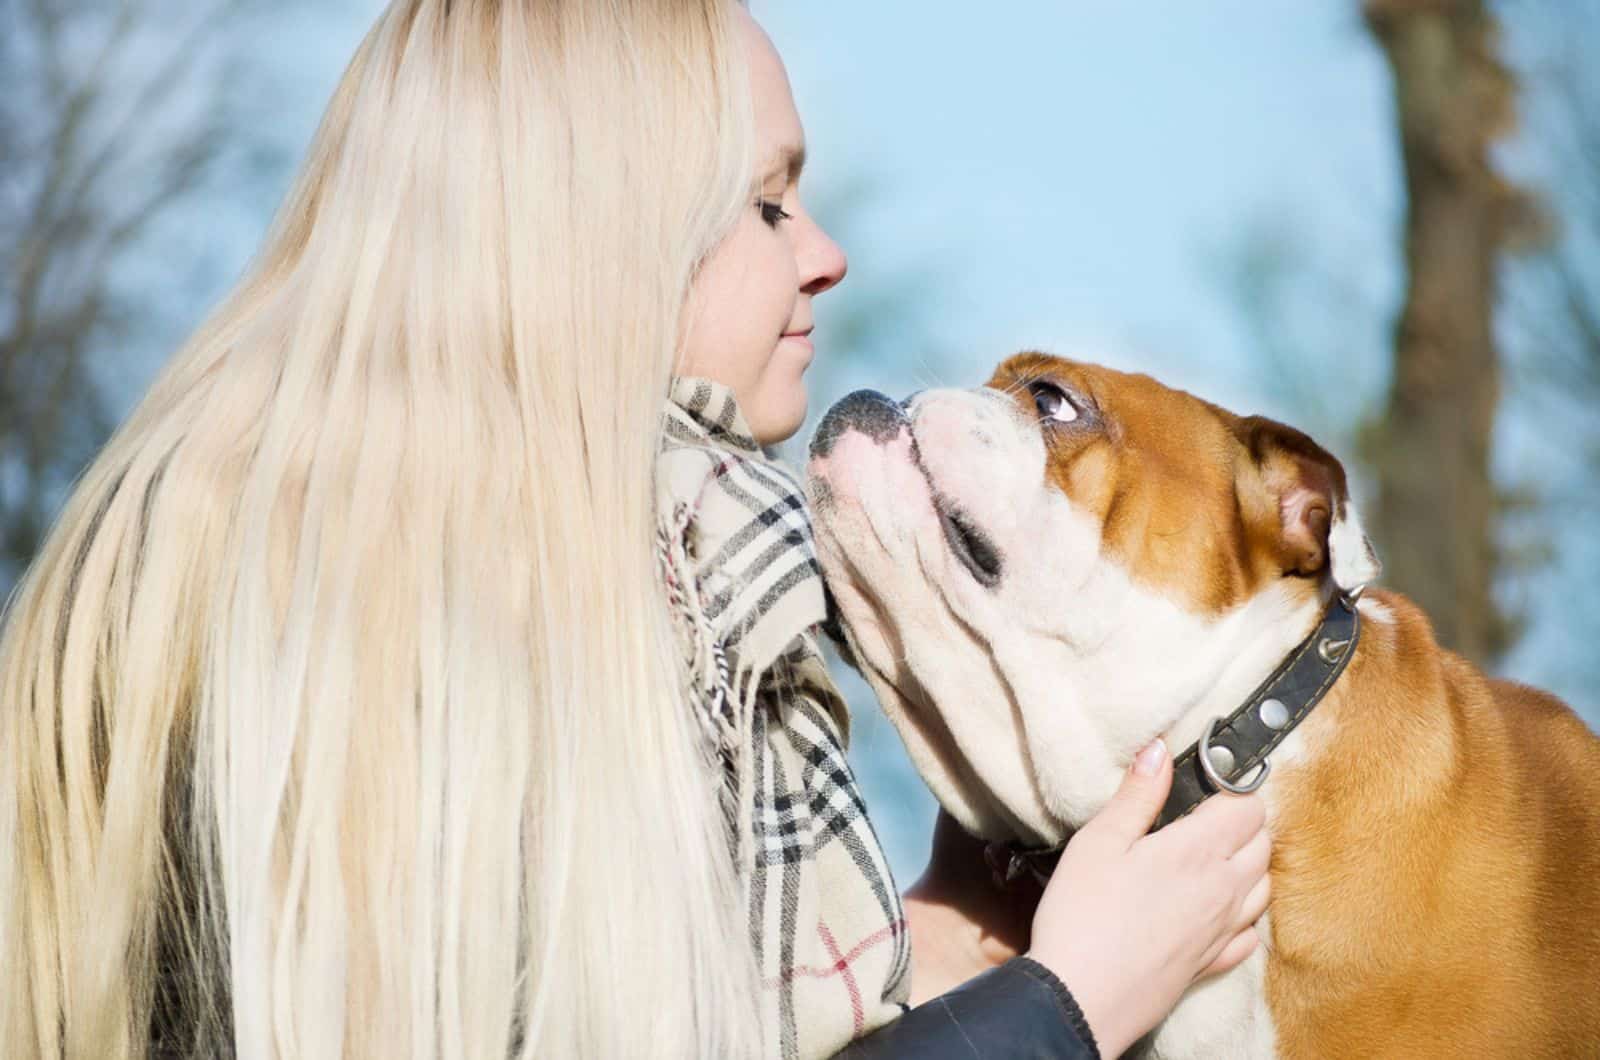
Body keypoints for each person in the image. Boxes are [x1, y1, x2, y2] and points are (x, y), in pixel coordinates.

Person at [0, 2, 1270, 1058]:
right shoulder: (685, 569)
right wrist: (1072, 1001)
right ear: (609, 227)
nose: (824, 255)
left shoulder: (184, 561)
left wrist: (936, 939)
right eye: (767, 204)